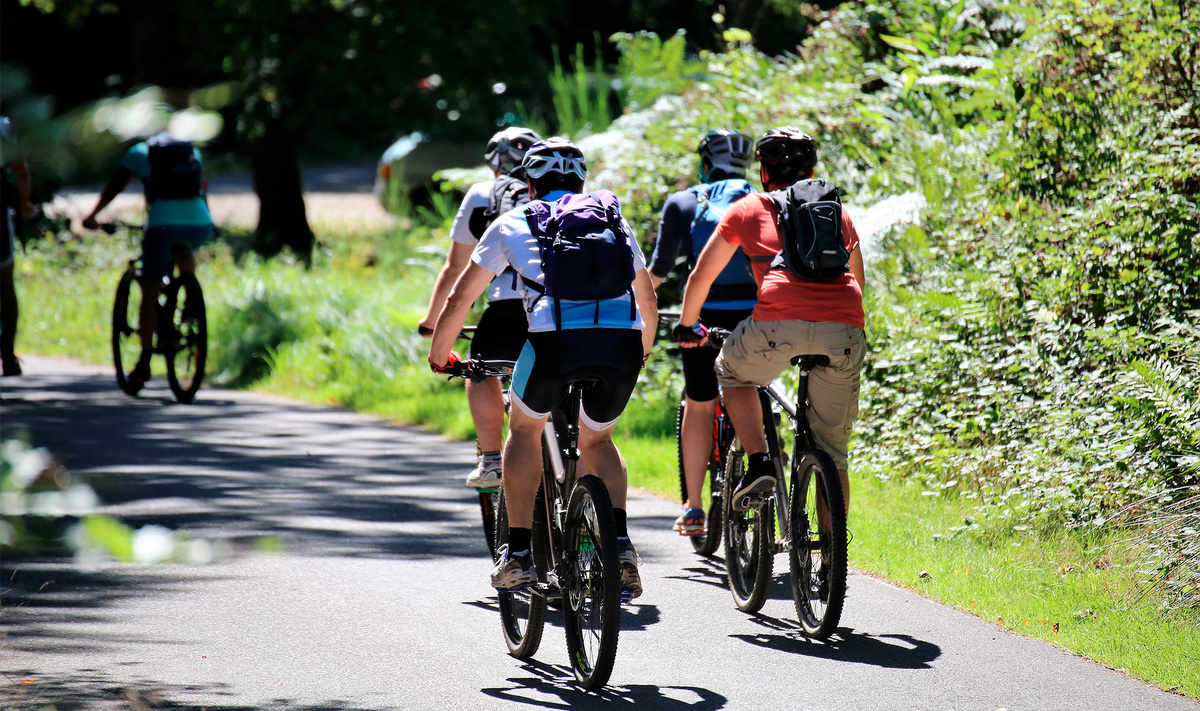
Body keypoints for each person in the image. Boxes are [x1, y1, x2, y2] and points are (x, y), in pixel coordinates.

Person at [428, 137, 658, 598]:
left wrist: (440, 355)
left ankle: (516, 554)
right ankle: (620, 545)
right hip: (621, 343)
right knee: (598, 439)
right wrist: (643, 350)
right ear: (580, 181)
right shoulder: (612, 216)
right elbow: (647, 296)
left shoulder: (512, 220)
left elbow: (461, 297)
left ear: (528, 183)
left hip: (554, 344)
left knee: (525, 430)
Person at [675, 126, 866, 518]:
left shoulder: (749, 209)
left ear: (763, 172)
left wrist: (688, 325)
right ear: (812, 170)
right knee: (833, 453)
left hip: (777, 323)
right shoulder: (837, 213)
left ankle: (760, 461)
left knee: (731, 371)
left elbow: (701, 277)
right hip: (844, 326)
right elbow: (858, 282)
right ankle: (833, 563)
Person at [648, 129, 757, 536]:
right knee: (755, 386)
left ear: (705, 161)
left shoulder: (684, 202)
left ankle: (694, 506)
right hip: (759, 314)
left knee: (700, 404)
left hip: (704, 318)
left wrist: (627, 302)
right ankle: (771, 452)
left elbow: (658, 272)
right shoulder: (762, 201)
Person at [418, 127, 541, 488]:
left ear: (493, 164)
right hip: (558, 308)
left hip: (505, 310)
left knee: (480, 369)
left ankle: (491, 461)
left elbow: (455, 267)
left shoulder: (482, 195)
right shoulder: (554, 197)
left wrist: (431, 320)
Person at [82, 131, 214, 390]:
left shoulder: (140, 152)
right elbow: (203, 185)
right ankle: (188, 299)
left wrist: (93, 215)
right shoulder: (190, 151)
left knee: (149, 288)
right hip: (201, 223)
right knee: (184, 250)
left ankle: (143, 362)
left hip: (162, 225)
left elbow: (115, 187)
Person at [1, 116, 36, 377]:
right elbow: (20, 170)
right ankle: (8, 355)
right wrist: (24, 204)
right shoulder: (4, 126)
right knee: (5, 283)